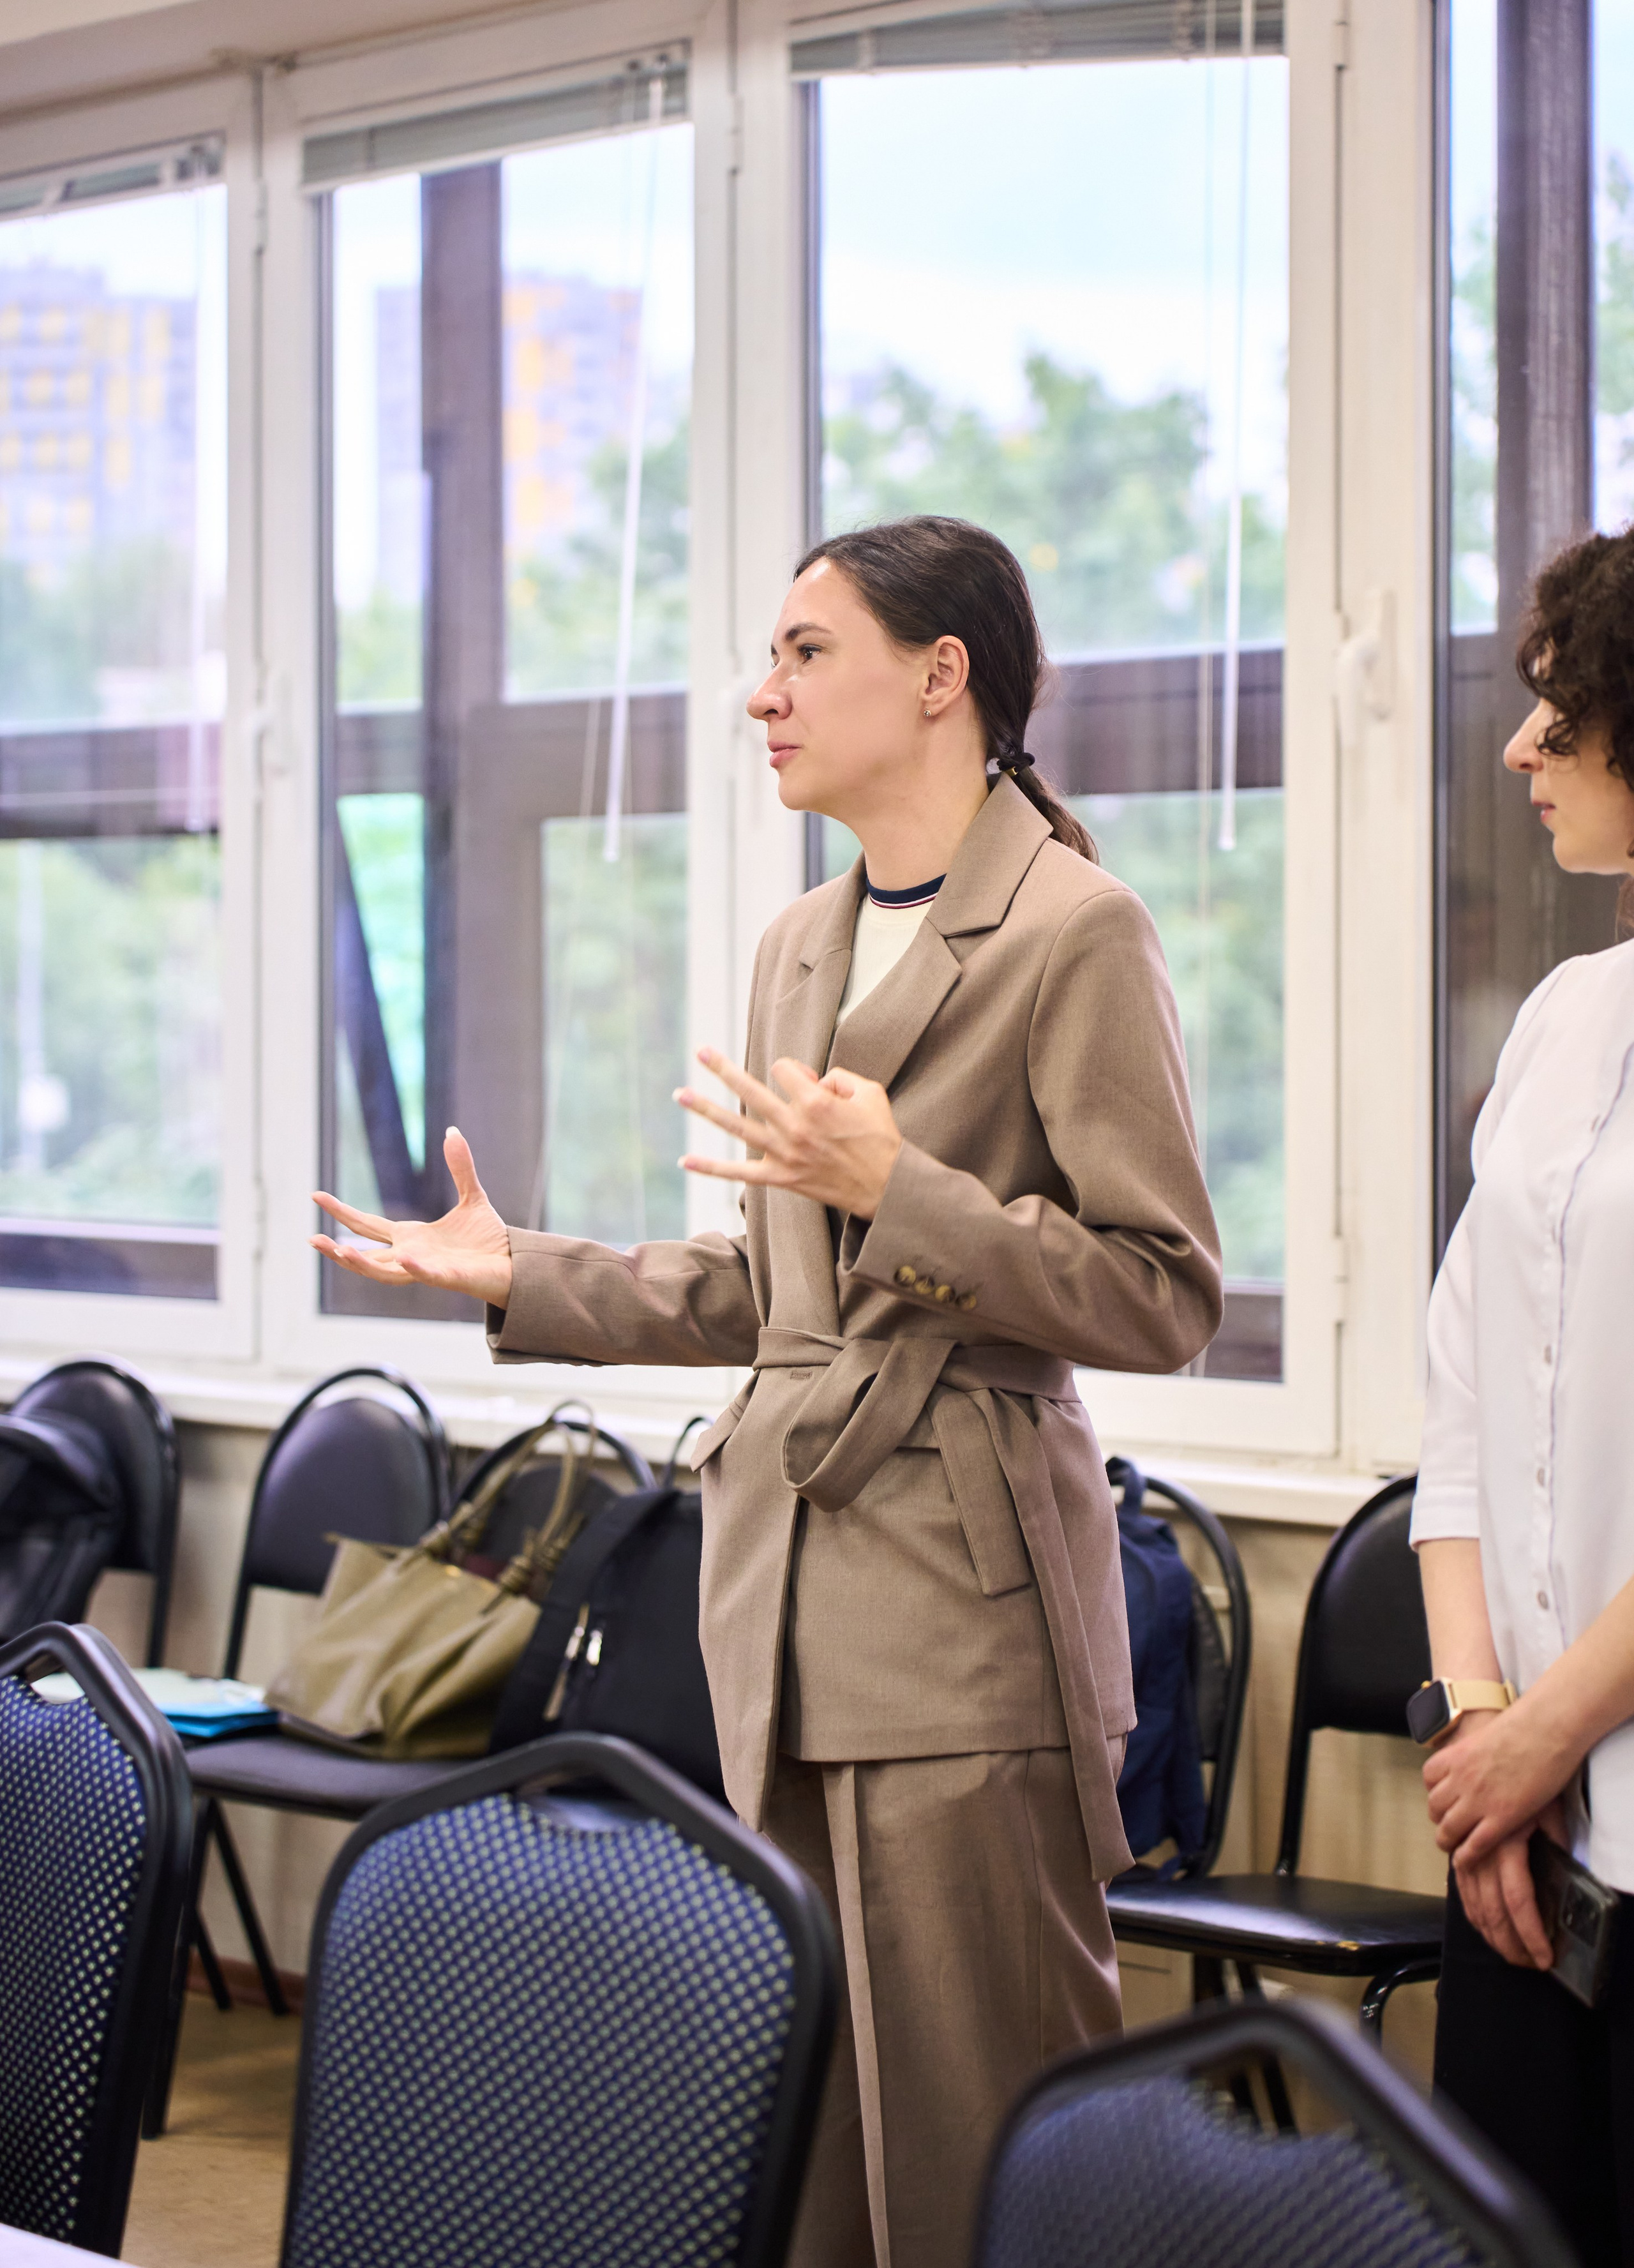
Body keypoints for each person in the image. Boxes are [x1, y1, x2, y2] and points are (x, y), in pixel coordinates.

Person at [311, 514, 1222, 2268]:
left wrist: (913, 1193)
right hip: (779, 1610)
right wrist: (518, 1271)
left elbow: (1165, 1292)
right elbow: (762, 1292)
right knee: (804, 2146)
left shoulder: (1076, 928)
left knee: (985, 2148)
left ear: (941, 674)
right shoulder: (802, 942)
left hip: (965, 1624)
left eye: (807, 651)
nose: (761, 692)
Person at [1413, 526, 1634, 2267]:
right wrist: (1482, 1713)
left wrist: (1551, 1730)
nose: (1519, 748)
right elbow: (1464, 1382)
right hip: (1523, 1831)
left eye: (1559, 711)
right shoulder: (1566, 1012)